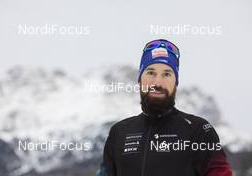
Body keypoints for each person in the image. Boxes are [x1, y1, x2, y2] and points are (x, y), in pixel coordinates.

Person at [96, 39, 232, 176]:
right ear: (139, 79)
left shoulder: (199, 131)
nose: (158, 82)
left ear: (176, 82)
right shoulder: (119, 132)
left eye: (167, 74)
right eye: (150, 72)